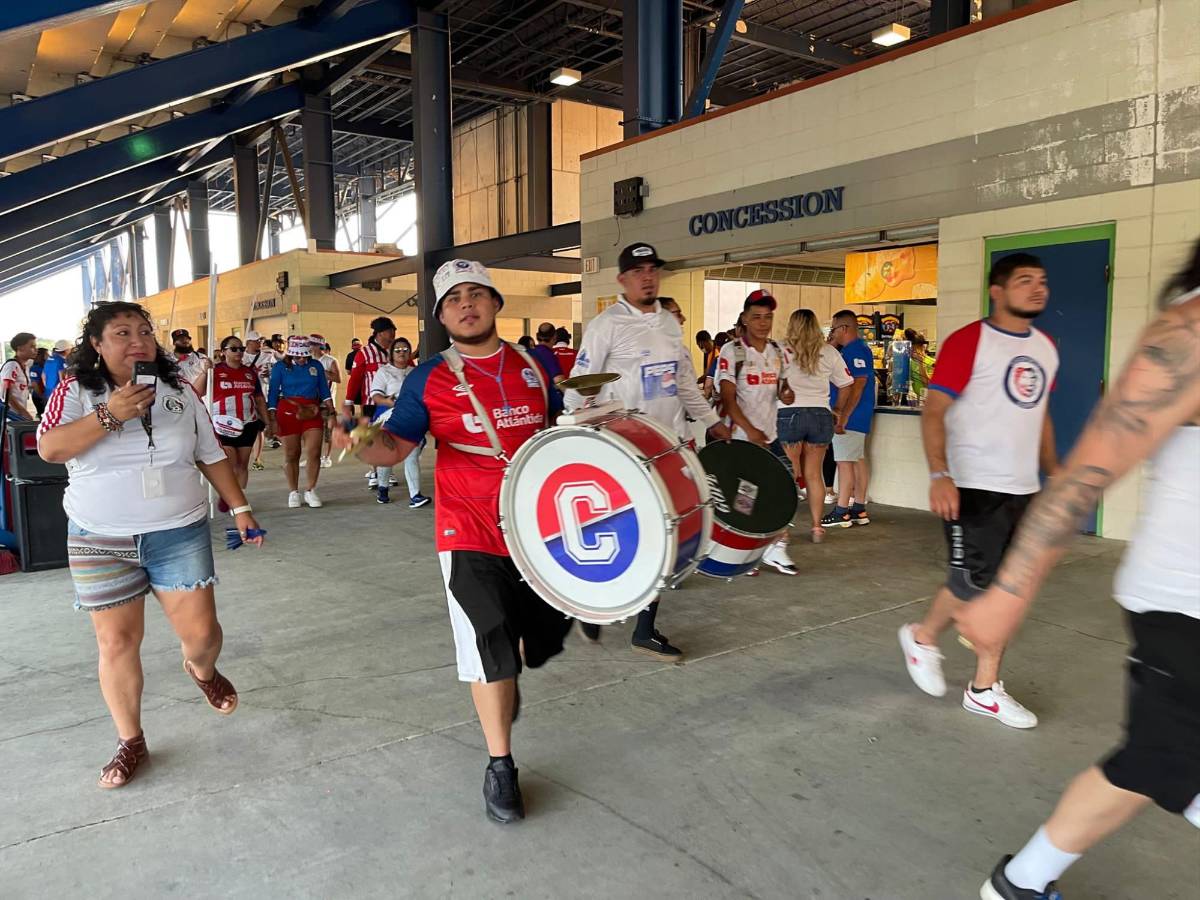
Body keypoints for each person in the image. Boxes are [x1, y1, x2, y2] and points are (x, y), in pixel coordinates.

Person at [964, 240, 1200, 900]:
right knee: (1163, 760)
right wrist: (1007, 596)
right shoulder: (1188, 334)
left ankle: (1021, 882)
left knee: (1153, 762)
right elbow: (1084, 475)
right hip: (1186, 605)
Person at [338, 259, 571, 824]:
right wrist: (358, 436)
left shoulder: (534, 365)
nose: (466, 305)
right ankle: (500, 764)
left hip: (537, 523)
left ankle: (504, 684)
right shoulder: (428, 379)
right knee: (488, 645)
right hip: (466, 526)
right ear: (442, 317)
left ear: (495, 303)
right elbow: (394, 448)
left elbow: (562, 429)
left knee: (524, 643)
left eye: (476, 294)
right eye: (453, 300)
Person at [36, 301, 264, 789]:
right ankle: (130, 740)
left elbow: (211, 455)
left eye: (144, 331)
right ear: (96, 345)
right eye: (122, 332)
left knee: (202, 635)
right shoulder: (74, 391)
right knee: (116, 643)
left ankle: (202, 670)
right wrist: (110, 413)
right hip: (99, 536)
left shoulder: (180, 390)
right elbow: (51, 448)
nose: (138, 339)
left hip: (177, 530)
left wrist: (240, 508)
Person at [898, 252, 1059, 731]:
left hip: (1022, 488)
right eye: (1025, 280)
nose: (1037, 289)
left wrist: (1057, 473)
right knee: (974, 584)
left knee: (1007, 590)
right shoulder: (970, 341)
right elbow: (934, 410)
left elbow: (1040, 415)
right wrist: (938, 474)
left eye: (1043, 281)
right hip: (973, 484)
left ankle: (984, 688)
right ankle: (925, 638)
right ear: (997, 290)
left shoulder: (1046, 347)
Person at [566, 242, 732, 658]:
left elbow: (685, 383)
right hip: (623, 447)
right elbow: (578, 386)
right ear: (622, 279)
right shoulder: (607, 325)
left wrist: (712, 423)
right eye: (638, 271)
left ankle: (645, 627)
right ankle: (596, 602)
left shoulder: (669, 325)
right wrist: (587, 428)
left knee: (665, 535)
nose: (647, 276)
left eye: (652, 269)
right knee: (621, 530)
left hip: (668, 445)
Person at [715, 290, 799, 576]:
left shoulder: (779, 352)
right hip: (741, 439)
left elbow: (782, 388)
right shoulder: (732, 352)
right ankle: (746, 551)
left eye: (768, 317)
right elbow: (728, 398)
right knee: (746, 498)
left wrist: (786, 394)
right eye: (756, 317)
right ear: (745, 319)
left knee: (785, 489)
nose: (763, 323)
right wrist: (749, 431)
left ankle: (774, 548)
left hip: (770, 436)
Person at [778, 309, 854, 543]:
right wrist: (839, 410)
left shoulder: (780, 350)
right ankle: (816, 527)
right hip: (821, 415)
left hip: (788, 415)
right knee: (814, 475)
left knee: (789, 475)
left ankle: (783, 531)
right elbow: (846, 384)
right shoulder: (829, 351)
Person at [821, 310, 876, 528]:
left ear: (844, 328)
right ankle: (858, 508)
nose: (831, 333)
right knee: (857, 460)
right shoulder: (856, 349)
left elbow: (858, 383)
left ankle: (842, 510)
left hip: (851, 417)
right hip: (856, 416)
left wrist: (843, 416)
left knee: (844, 462)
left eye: (833, 329)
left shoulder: (854, 351)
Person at [268, 336, 333, 509]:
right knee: (292, 454)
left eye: (305, 356)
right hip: (288, 410)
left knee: (314, 452)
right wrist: (271, 415)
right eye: (298, 357)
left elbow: (324, 389)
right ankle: (293, 491)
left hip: (312, 410)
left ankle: (311, 490)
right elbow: (273, 391)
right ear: (291, 354)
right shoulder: (280, 367)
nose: (302, 359)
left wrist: (331, 409)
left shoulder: (316, 365)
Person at [367, 338, 430, 508]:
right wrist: (392, 402)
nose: (401, 352)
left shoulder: (415, 372)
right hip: (389, 416)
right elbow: (376, 396)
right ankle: (383, 488)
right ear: (391, 353)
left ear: (410, 353)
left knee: (411, 455)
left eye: (405, 349)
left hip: (411, 417)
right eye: (398, 349)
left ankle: (415, 495)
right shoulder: (384, 371)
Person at [210, 335, 270, 511]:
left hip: (247, 423)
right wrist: (204, 372)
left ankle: (239, 500)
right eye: (233, 349)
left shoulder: (250, 373)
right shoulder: (214, 372)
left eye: (241, 349)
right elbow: (198, 392)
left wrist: (267, 421)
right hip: (222, 424)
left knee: (242, 465)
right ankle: (228, 495)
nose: (239, 352)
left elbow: (258, 398)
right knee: (230, 462)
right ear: (223, 352)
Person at [343, 318, 396, 490]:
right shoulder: (364, 353)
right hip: (371, 402)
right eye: (390, 331)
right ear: (380, 333)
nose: (393, 335)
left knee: (390, 436)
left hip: (392, 403)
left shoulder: (395, 351)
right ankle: (375, 470)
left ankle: (387, 470)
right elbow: (355, 379)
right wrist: (349, 401)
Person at [309, 334, 341, 469]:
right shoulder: (307, 360)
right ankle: (313, 457)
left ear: (317, 346)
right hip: (311, 401)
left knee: (328, 431)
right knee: (312, 431)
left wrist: (321, 371)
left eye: (311, 344)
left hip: (327, 401)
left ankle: (327, 457)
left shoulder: (330, 360)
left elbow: (338, 378)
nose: (309, 347)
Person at [2, 332, 37, 420]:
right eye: (32, 346)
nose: (36, 349)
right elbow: (6, 393)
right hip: (10, 416)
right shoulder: (12, 365)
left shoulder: (25, 366)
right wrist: (24, 413)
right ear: (20, 348)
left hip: (18, 415)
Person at [170, 328, 210, 395]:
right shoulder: (168, 360)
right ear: (174, 342)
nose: (185, 341)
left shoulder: (201, 358)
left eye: (187, 338)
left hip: (200, 400)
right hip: (179, 399)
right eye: (181, 339)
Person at [28, 347, 48, 414]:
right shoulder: (34, 368)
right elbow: (34, 384)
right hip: (39, 396)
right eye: (47, 354)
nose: (49, 355)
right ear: (42, 355)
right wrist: (41, 396)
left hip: (44, 395)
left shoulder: (45, 366)